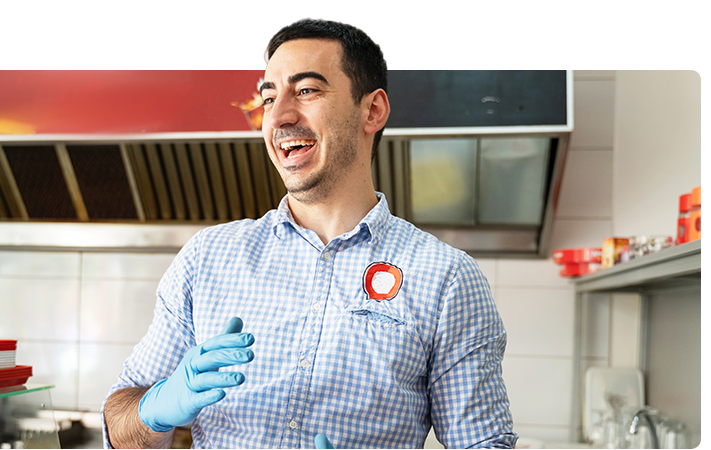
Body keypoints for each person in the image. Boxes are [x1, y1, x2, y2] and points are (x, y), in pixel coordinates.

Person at [102, 16, 518, 449]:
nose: (279, 116)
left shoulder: (447, 278)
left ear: (371, 110)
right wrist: (155, 408)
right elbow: (121, 428)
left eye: (306, 90)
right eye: (269, 97)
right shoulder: (208, 257)